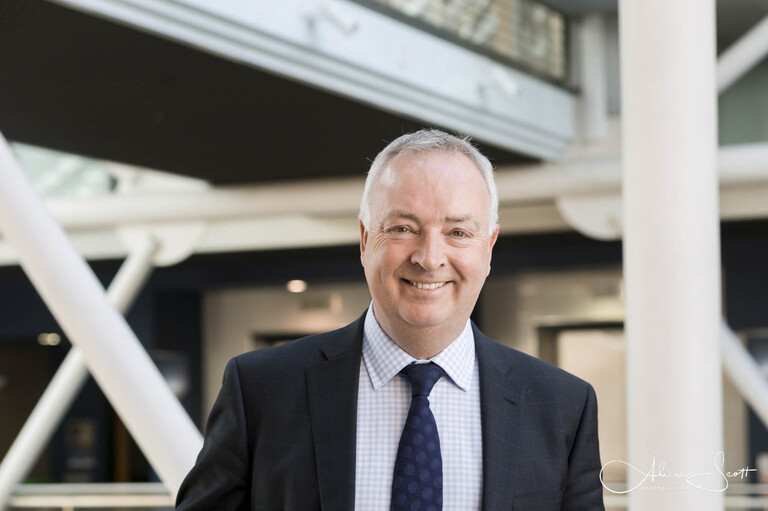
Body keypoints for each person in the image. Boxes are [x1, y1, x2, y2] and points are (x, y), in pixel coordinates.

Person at [175, 129, 604, 511]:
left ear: (488, 247)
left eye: (457, 233)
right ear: (365, 239)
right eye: (403, 228)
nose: (429, 258)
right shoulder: (261, 392)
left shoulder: (564, 406)